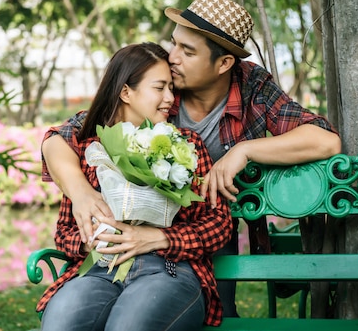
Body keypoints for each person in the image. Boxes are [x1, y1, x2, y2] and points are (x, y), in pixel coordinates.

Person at [41, 0, 342, 318]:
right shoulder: (161, 88)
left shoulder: (251, 86)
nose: (173, 58)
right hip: (136, 237)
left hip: (207, 226)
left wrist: (245, 150)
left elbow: (324, 140)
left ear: (224, 63)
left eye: (187, 51)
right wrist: (82, 193)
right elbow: (61, 138)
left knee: (210, 312)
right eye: (174, 44)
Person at [38, 42, 232, 331]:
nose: (170, 98)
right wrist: (92, 240)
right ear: (126, 91)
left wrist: (160, 238)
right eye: (160, 88)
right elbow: (65, 233)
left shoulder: (186, 145)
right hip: (98, 270)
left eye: (171, 88)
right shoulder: (91, 149)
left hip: (167, 269)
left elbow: (219, 223)